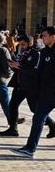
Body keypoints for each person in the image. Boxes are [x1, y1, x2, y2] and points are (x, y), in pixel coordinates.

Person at [0, 35, 55, 137]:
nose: (22, 46)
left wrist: (20, 66)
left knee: (35, 109)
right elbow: (20, 68)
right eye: (20, 45)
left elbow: (34, 70)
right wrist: (13, 66)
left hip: (30, 85)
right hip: (20, 83)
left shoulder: (36, 53)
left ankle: (52, 125)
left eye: (23, 44)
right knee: (12, 105)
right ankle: (13, 128)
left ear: (29, 43)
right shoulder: (24, 53)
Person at [12, 27, 55, 158]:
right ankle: (30, 148)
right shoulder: (44, 52)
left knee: (38, 118)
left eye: (45, 36)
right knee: (37, 118)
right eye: (42, 36)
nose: (42, 38)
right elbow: (38, 72)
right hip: (46, 93)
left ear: (53, 36)